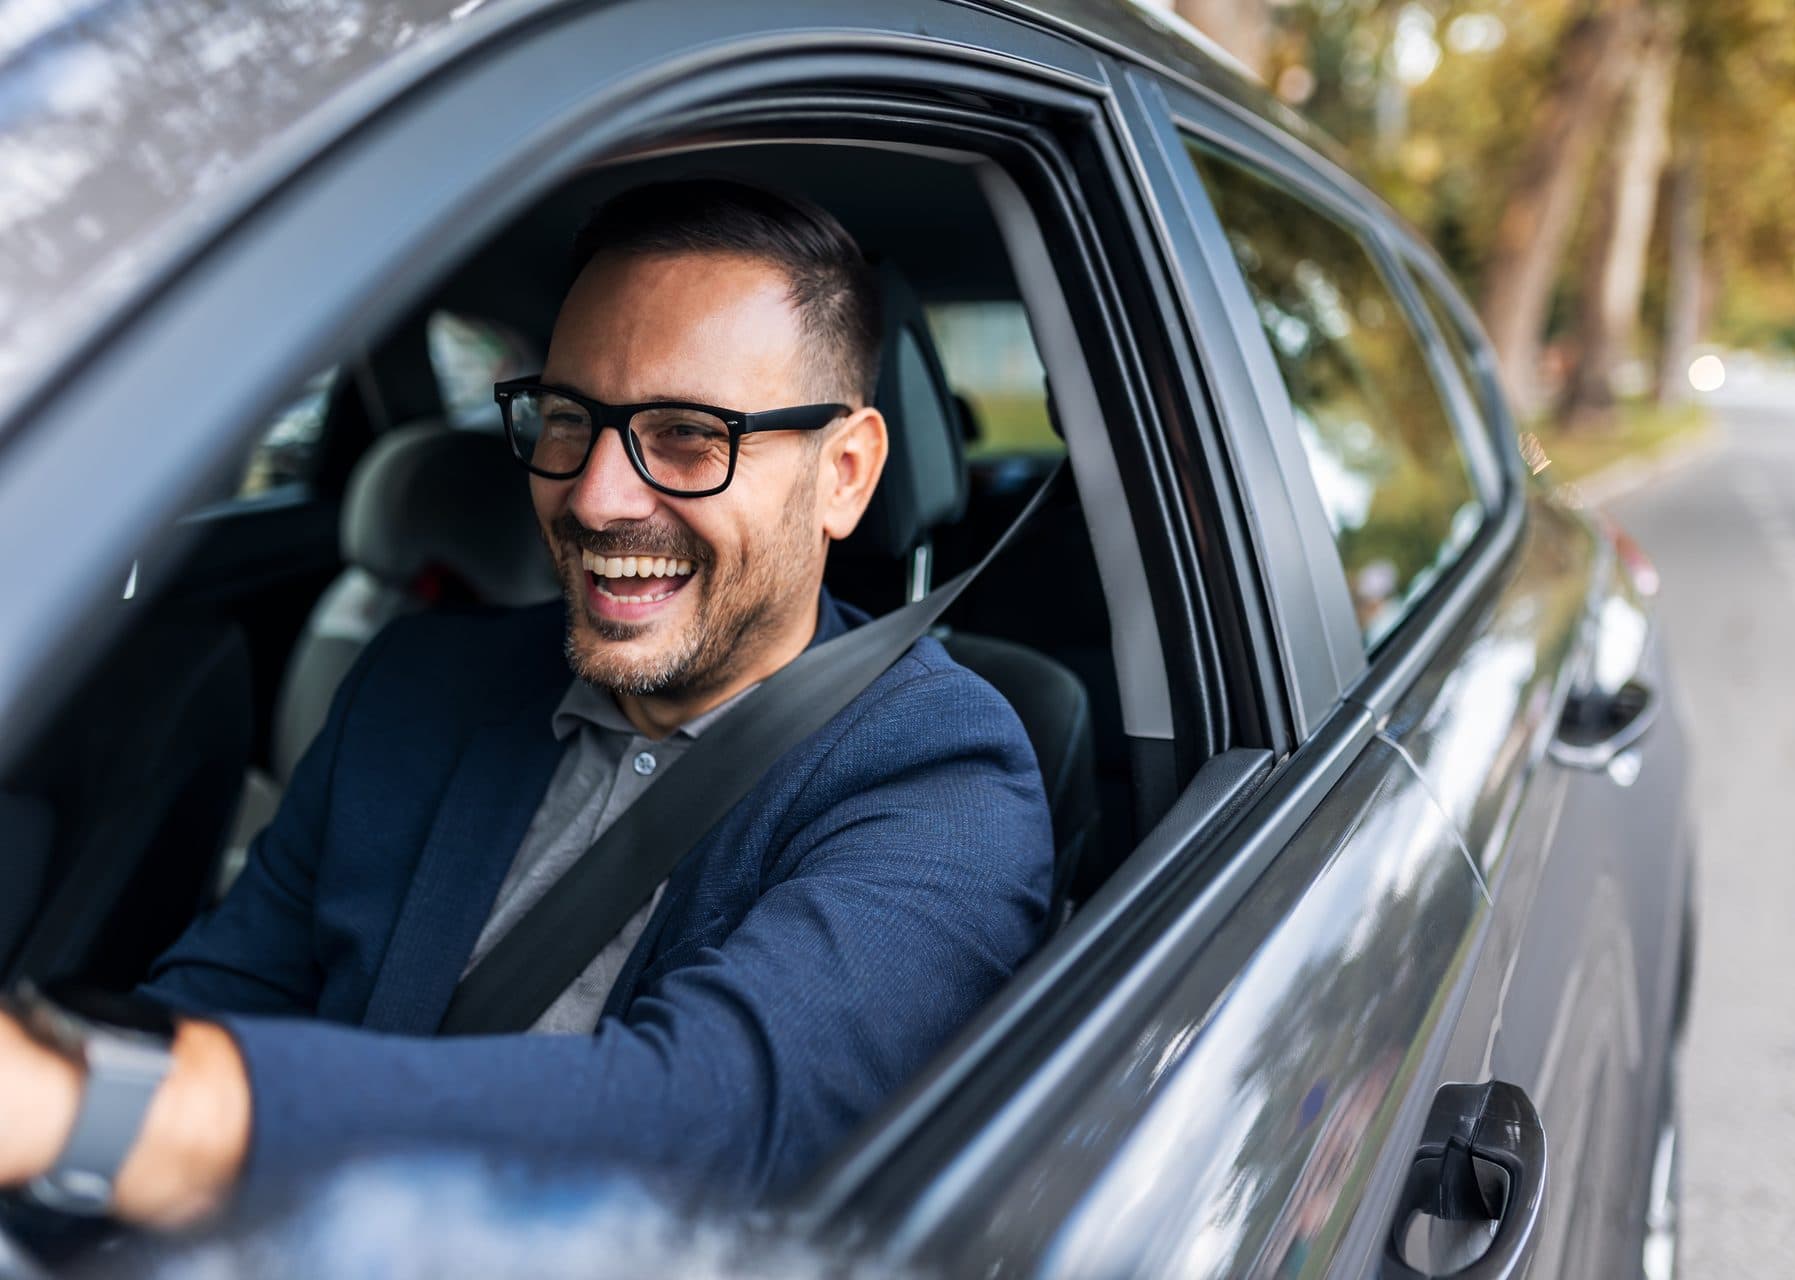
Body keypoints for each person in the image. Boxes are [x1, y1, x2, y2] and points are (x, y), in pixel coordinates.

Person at [0, 180, 1054, 1227]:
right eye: (567, 419)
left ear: (846, 474)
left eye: (687, 435)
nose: (595, 494)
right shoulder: (418, 683)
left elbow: (701, 1125)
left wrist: (89, 1107)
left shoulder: (943, 774)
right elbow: (211, 998)